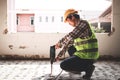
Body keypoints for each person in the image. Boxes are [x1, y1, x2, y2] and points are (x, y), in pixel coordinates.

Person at [55, 9, 99, 79]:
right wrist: (59, 55)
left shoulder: (83, 24)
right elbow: (69, 43)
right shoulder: (79, 28)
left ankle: (88, 68)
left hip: (89, 56)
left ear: (72, 17)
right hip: (84, 54)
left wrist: (59, 43)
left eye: (68, 21)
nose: (69, 24)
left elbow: (70, 36)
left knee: (63, 65)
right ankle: (79, 67)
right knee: (70, 47)